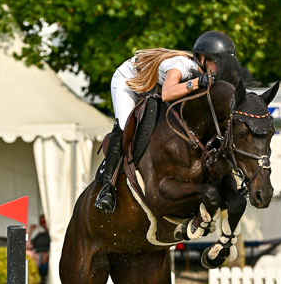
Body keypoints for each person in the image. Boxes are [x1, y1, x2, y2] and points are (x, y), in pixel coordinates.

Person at [95, 30, 237, 214]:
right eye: (218, 62)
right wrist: (196, 83)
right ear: (202, 59)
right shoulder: (182, 65)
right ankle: (107, 188)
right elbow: (167, 93)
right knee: (124, 126)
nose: (222, 68)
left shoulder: (204, 71)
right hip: (128, 82)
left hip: (153, 85)